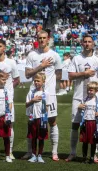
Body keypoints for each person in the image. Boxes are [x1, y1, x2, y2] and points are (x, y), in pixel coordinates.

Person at [23, 30, 62, 161]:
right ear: (37, 39)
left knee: (52, 121)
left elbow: (59, 74)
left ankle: (54, 152)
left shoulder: (55, 55)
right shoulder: (32, 55)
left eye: (44, 38)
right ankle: (30, 152)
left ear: (48, 39)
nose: (42, 40)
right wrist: (41, 66)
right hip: (34, 93)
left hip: (49, 95)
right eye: (39, 38)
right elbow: (27, 75)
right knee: (31, 121)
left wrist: (50, 86)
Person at [66, 34, 98, 162]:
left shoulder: (96, 59)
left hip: (94, 99)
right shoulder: (76, 59)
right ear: (82, 44)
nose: (87, 44)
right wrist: (84, 73)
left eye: (89, 42)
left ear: (93, 44)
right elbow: (70, 76)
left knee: (95, 125)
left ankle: (94, 153)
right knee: (75, 125)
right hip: (78, 97)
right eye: (85, 41)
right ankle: (72, 152)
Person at [25, 72, 50, 163]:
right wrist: (33, 100)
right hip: (32, 118)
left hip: (42, 119)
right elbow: (26, 105)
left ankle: (40, 155)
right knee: (33, 137)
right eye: (35, 81)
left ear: (43, 82)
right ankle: (33, 155)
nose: (36, 82)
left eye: (38, 81)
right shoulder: (31, 93)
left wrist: (45, 119)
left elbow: (47, 107)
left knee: (41, 137)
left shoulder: (46, 93)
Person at [77, 82, 98, 163]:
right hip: (85, 122)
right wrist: (79, 107)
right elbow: (80, 111)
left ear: (96, 91)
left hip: (93, 123)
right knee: (85, 141)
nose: (89, 92)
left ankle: (92, 157)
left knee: (93, 141)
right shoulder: (84, 99)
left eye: (91, 90)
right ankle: (84, 157)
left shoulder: (96, 100)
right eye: (88, 90)